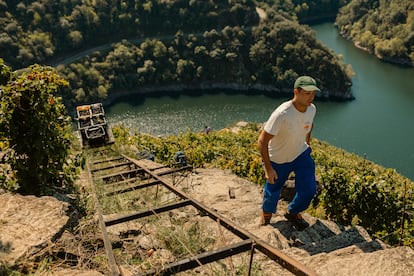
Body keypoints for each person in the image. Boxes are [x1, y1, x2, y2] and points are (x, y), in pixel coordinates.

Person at [257, 76, 320, 230]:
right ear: (296, 92)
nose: (311, 97)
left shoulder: (312, 109)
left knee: (310, 189)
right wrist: (268, 168)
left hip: (300, 154)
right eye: (307, 93)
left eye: (313, 93)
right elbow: (262, 141)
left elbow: (308, 127)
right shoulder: (282, 114)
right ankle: (266, 215)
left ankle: (293, 211)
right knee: (272, 190)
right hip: (279, 158)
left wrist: (307, 145)